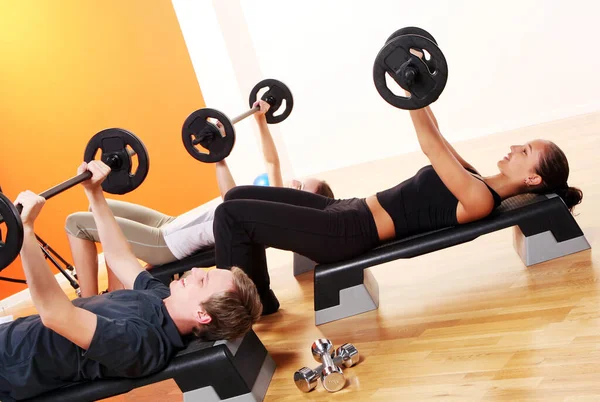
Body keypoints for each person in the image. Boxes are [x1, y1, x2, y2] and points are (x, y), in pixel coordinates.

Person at [213, 105, 583, 315]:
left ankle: (234, 309)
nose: (515, 147)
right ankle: (260, 296)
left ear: (533, 180)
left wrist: (409, 93)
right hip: (343, 209)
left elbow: (428, 146)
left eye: (525, 152)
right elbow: (437, 135)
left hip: (347, 232)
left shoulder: (480, 199)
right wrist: (419, 87)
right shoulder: (472, 177)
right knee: (236, 199)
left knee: (229, 217)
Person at [0, 161, 261, 401]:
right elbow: (119, 257)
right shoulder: (161, 298)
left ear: (202, 315)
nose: (194, 271)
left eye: (203, 281)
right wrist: (95, 193)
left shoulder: (142, 342)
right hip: (13, 335)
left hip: (9, 366)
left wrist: (26, 232)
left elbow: (54, 314)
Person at [65, 100, 334, 297]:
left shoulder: (275, 212)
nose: (295, 182)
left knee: (76, 222)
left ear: (302, 207)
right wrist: (261, 121)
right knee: (97, 208)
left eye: (300, 189)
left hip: (166, 244)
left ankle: (89, 301)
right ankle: (116, 291)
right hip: (170, 223)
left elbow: (231, 200)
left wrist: (219, 157)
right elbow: (272, 162)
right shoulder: (273, 199)